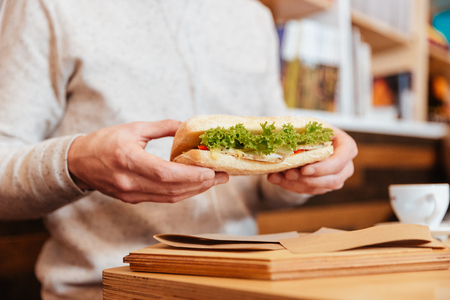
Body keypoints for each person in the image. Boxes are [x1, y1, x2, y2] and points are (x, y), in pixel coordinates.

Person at [0, 0, 357, 299]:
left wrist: (304, 172)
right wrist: (76, 161)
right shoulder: (45, 5)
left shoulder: (254, 17)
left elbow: (261, 181)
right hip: (109, 291)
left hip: (247, 286)